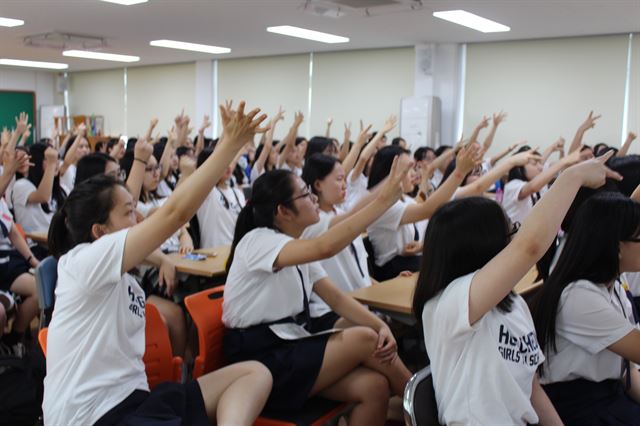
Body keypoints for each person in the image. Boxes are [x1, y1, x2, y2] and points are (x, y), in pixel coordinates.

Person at [42, 102, 273, 426]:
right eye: (128, 213)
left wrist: (161, 254)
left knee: (254, 373)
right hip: (93, 416)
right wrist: (229, 145)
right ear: (100, 232)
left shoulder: (119, 273)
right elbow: (175, 214)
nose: (138, 218)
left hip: (138, 401)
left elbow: (136, 208)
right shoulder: (80, 263)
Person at [413, 151, 619, 425]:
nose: (513, 240)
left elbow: (531, 389)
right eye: (509, 233)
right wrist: (573, 175)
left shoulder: (512, 303)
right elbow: (529, 246)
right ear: (480, 247)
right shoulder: (449, 304)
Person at [223, 159, 413, 424]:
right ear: (283, 211)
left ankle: (416, 404)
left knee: (374, 387)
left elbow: (335, 298)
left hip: (289, 343)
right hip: (258, 360)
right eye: (305, 194)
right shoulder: (258, 240)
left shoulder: (295, 245)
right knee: (365, 338)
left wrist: (382, 326)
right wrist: (383, 200)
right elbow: (325, 247)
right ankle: (422, 406)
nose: (313, 198)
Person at [533, 191, 640, 425]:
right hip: (578, 408)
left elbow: (627, 373)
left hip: (609, 397)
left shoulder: (613, 286)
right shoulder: (578, 296)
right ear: (617, 247)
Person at [366, 144, 480, 280]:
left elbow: (422, 203)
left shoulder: (403, 198)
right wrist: (459, 172)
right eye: (408, 170)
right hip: (393, 271)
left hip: (408, 263)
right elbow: (427, 209)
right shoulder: (383, 205)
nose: (414, 174)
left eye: (413, 169)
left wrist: (425, 178)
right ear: (389, 174)